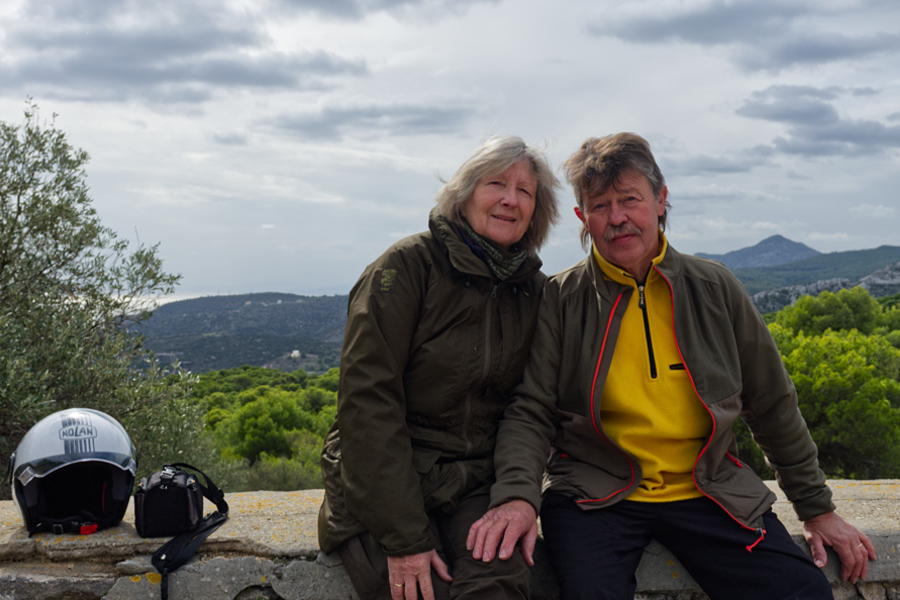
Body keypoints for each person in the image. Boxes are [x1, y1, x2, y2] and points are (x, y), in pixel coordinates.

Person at [467, 133, 876, 599]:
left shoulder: (715, 287)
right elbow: (531, 411)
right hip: (594, 495)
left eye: (630, 199)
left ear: (661, 200)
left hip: (709, 489)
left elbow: (772, 402)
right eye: (600, 206)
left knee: (802, 591)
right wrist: (517, 496)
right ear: (582, 217)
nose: (617, 218)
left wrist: (816, 508)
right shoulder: (561, 300)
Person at [318, 135, 560, 600]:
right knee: (418, 591)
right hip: (384, 482)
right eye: (496, 184)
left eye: (525, 191)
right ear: (465, 194)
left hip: (475, 481)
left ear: (537, 210)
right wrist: (405, 537)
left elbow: (530, 408)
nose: (510, 199)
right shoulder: (406, 268)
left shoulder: (534, 292)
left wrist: (517, 495)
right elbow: (368, 405)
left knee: (498, 583)